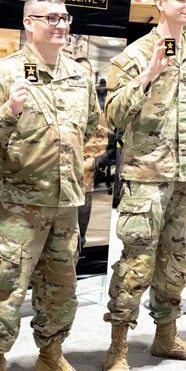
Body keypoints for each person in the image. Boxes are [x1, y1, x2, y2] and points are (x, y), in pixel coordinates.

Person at [0, 0, 101, 371]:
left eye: (65, 18)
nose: (61, 25)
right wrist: (9, 110)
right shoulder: (4, 73)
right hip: (16, 209)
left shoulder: (79, 74)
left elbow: (94, 124)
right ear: (29, 24)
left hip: (64, 205)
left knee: (61, 290)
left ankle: (51, 358)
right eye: (51, 18)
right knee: (5, 292)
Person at [102, 0, 186, 371]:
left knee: (177, 263)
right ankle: (117, 348)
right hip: (145, 181)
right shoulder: (131, 57)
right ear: (160, 3)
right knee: (136, 265)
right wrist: (149, 73)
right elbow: (113, 114)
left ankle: (166, 335)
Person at [75, 57, 109, 251]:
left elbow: (103, 140)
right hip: (55, 182)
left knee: (80, 230)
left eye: (88, 73)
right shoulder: (58, 100)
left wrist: (82, 153)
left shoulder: (96, 106)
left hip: (84, 180)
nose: (85, 76)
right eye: (80, 71)